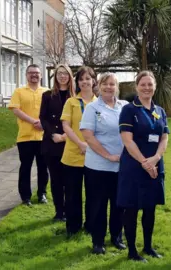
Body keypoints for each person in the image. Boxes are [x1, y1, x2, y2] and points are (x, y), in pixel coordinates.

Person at [118, 71, 169, 263]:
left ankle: (148, 246)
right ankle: (132, 251)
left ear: (155, 87)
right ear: (137, 86)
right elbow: (128, 141)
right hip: (134, 166)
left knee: (150, 208)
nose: (147, 88)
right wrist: (144, 162)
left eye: (150, 84)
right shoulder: (129, 110)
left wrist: (155, 158)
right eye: (143, 84)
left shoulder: (160, 111)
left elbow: (164, 137)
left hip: (155, 165)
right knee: (131, 208)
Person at [80, 73, 128, 254]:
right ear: (98, 86)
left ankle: (117, 237)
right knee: (98, 205)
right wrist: (108, 156)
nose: (109, 87)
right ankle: (98, 241)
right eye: (105, 84)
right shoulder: (92, 108)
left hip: (121, 166)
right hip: (98, 167)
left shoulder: (124, 107)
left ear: (117, 87)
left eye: (112, 84)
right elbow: (88, 136)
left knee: (119, 204)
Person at [61, 66, 97, 237]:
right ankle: (73, 227)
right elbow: (66, 126)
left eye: (88, 78)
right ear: (77, 83)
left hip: (95, 156)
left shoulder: (100, 104)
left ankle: (91, 226)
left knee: (93, 194)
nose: (85, 82)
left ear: (94, 81)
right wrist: (81, 144)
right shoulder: (71, 102)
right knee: (72, 194)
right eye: (81, 79)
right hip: (72, 155)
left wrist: (91, 146)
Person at [8, 64, 49, 206]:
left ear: (41, 75)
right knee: (25, 167)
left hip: (44, 137)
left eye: (37, 73)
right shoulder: (19, 92)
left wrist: (43, 124)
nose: (34, 75)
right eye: (31, 73)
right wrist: (33, 121)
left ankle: (42, 194)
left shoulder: (47, 92)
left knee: (43, 167)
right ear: (26, 75)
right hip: (25, 137)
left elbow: (51, 112)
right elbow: (16, 110)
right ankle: (25, 196)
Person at [40, 64, 74, 221]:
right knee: (56, 180)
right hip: (52, 143)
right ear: (55, 76)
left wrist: (65, 136)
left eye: (65, 73)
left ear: (70, 76)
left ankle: (70, 211)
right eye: (59, 73)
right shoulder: (47, 96)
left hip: (71, 142)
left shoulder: (75, 97)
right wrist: (53, 134)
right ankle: (59, 212)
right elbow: (43, 118)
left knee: (69, 180)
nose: (62, 76)